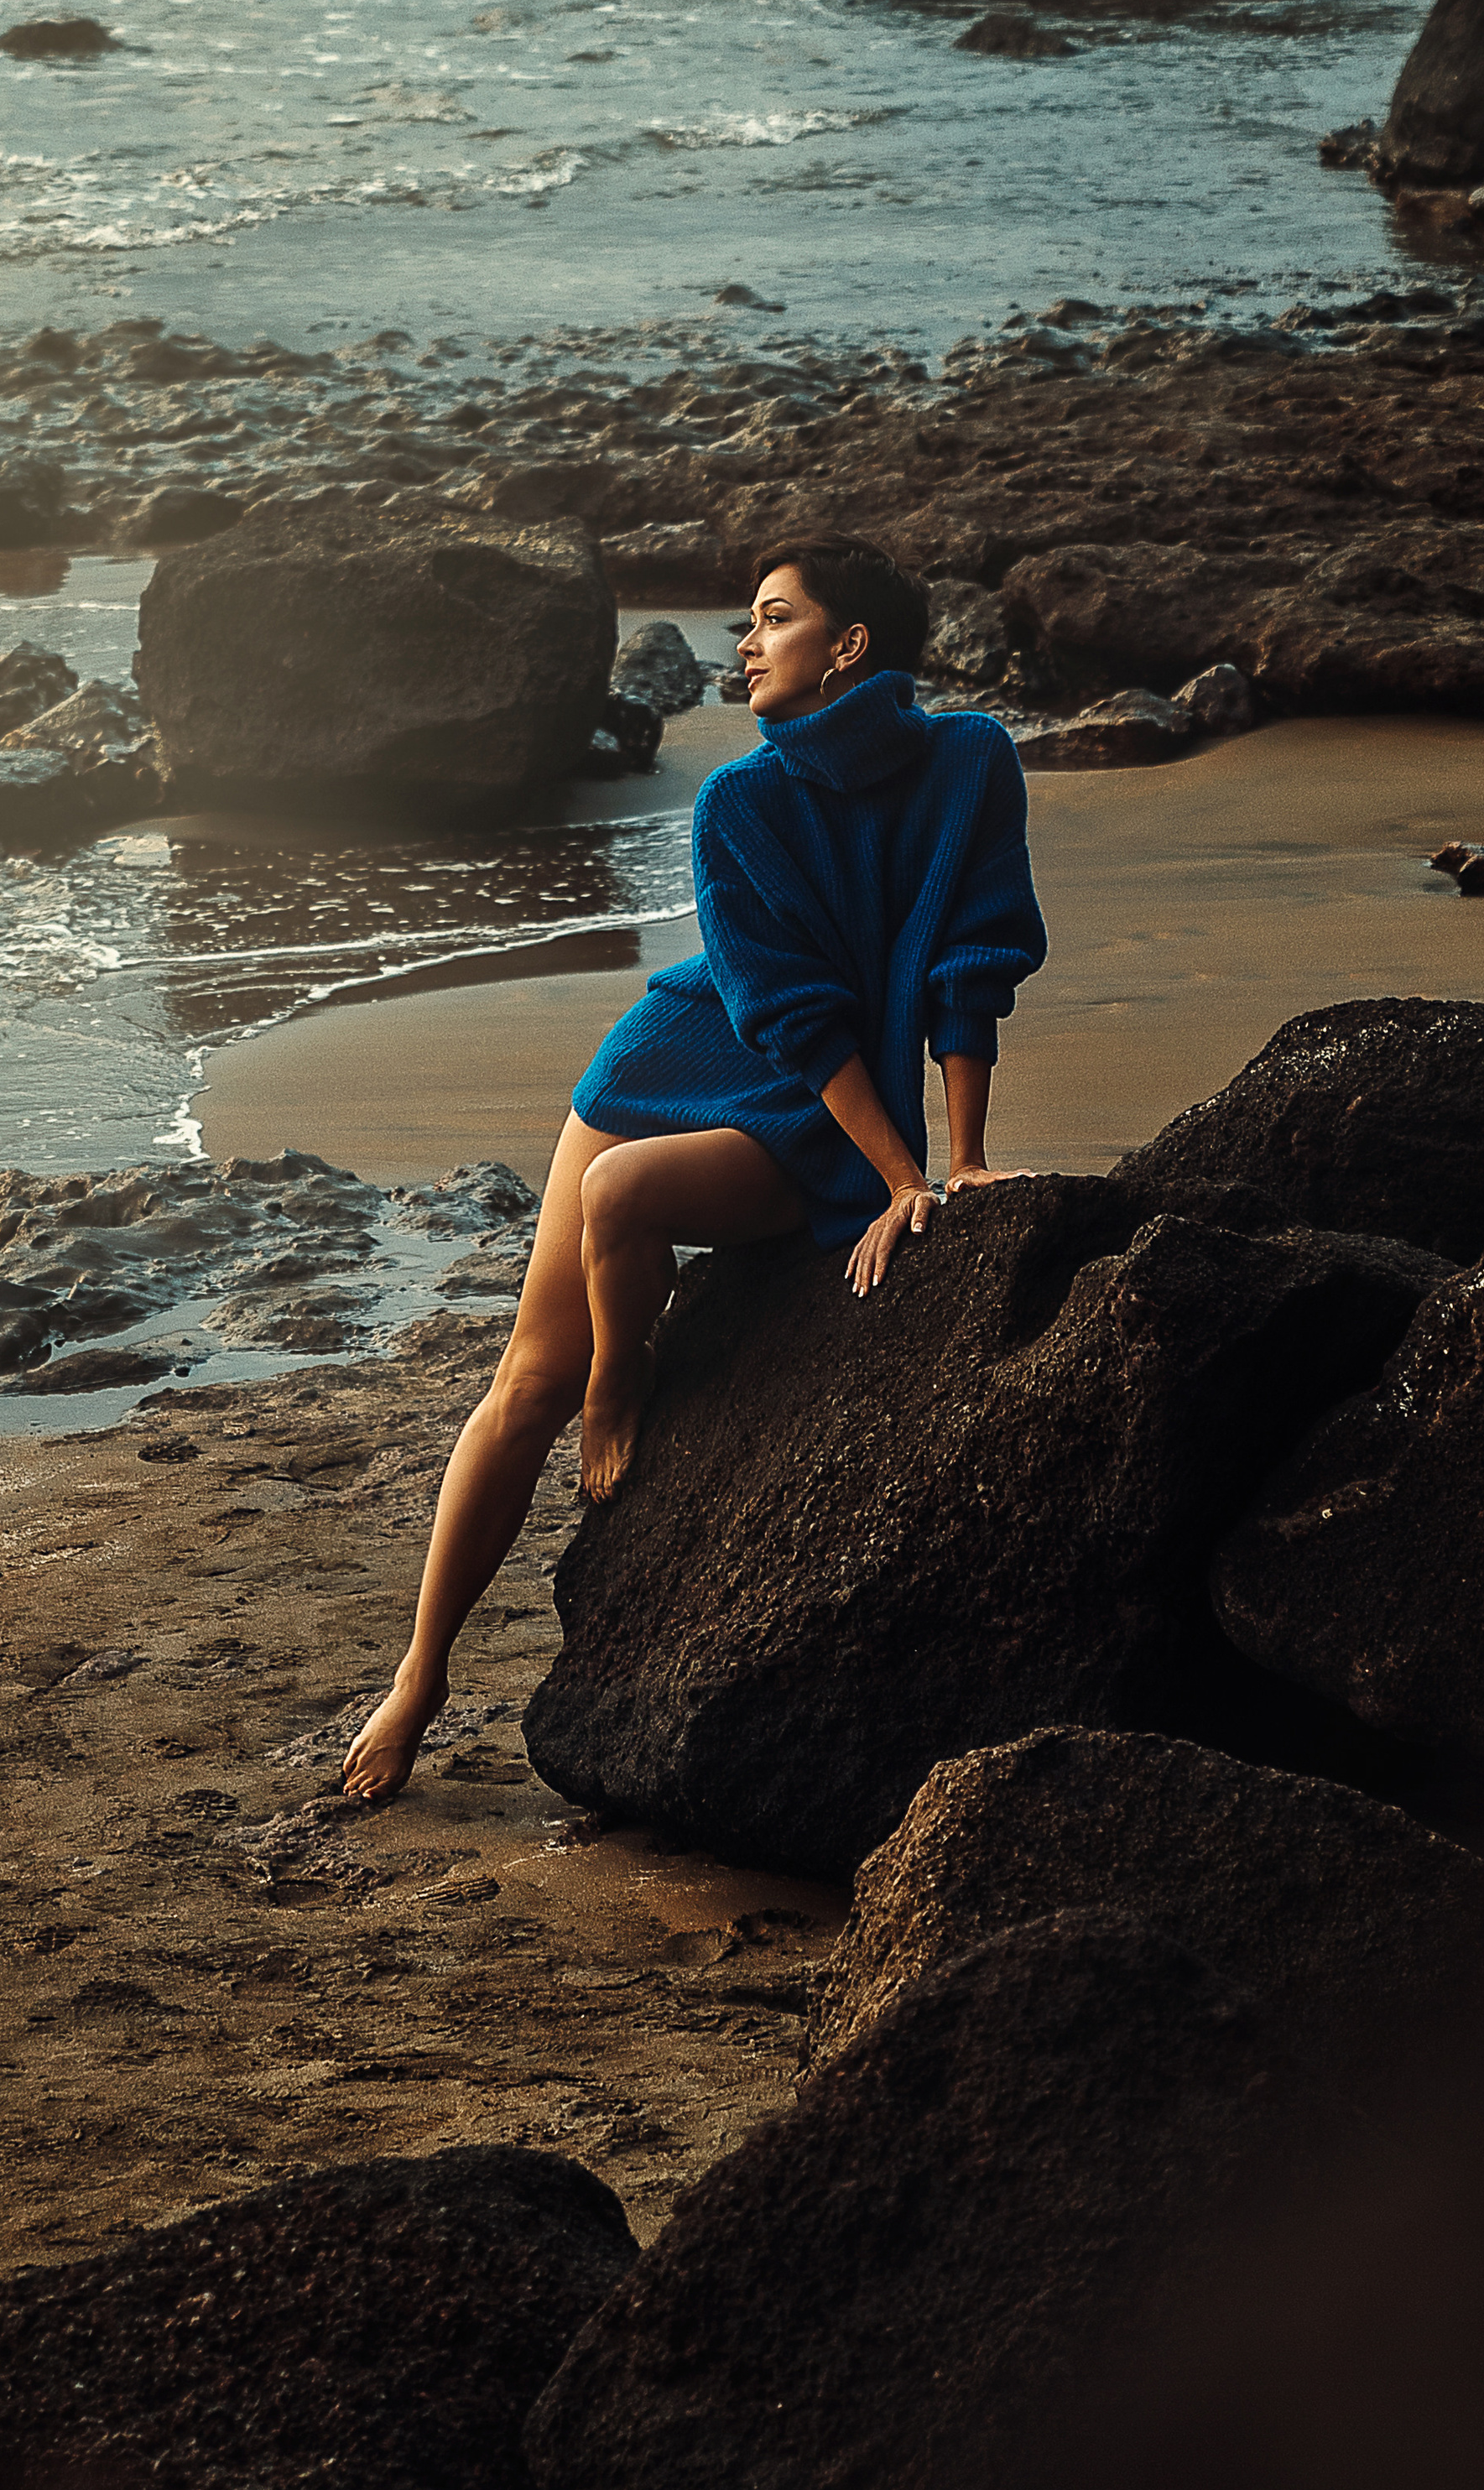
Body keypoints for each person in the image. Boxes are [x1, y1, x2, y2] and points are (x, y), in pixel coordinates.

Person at [341, 532, 1047, 1804]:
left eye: (772, 618)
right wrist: (905, 1176)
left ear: (849, 646)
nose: (745, 643)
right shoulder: (740, 800)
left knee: (624, 1200)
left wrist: (958, 1163)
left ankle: (625, 1371)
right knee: (534, 1379)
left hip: (815, 1106)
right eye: (748, 622)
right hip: (672, 1059)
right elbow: (786, 1008)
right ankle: (421, 1673)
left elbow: (973, 960)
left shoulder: (970, 761)